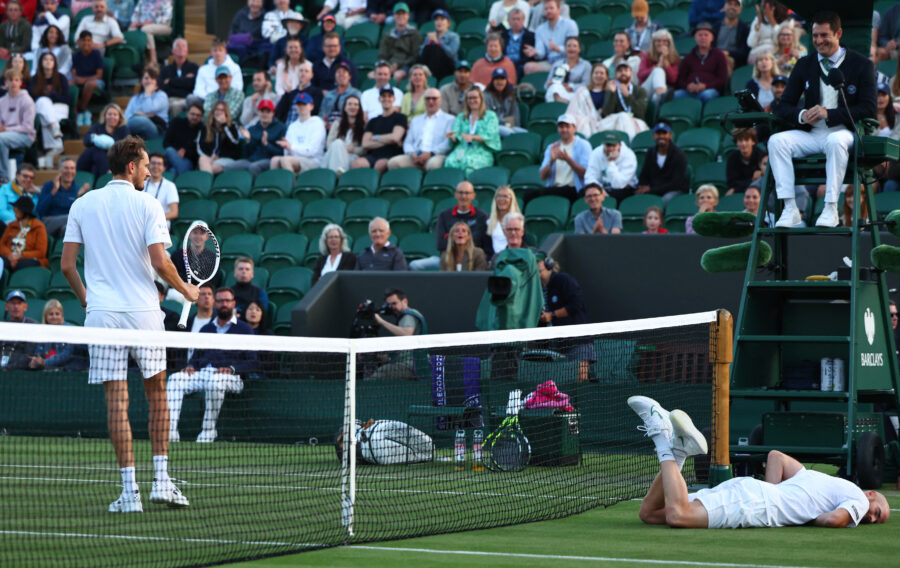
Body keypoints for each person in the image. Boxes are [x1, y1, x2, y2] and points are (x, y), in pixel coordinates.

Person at [61, 136, 199, 513]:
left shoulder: (83, 204)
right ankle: (162, 482)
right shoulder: (148, 203)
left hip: (101, 315)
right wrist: (186, 290)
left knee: (116, 402)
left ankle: (130, 493)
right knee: (157, 395)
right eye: (145, 165)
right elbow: (160, 261)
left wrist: (88, 300)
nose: (150, 171)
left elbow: (67, 266)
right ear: (132, 167)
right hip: (143, 315)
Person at [628, 395, 890, 529]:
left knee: (649, 514)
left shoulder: (820, 482)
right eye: (878, 511)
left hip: (754, 494)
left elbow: (776, 458)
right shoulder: (857, 498)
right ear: (870, 494)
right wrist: (797, 513)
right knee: (677, 515)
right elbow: (834, 521)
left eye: (877, 519)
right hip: (755, 503)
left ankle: (680, 451)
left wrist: (772, 492)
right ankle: (661, 434)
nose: (872, 518)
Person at [770, 11, 876, 229]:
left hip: (844, 132)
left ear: (839, 33)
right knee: (776, 141)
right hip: (812, 133)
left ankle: (830, 207)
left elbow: (868, 108)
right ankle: (790, 208)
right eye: (815, 35)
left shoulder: (862, 64)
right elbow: (783, 107)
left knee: (835, 141)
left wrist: (830, 113)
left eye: (824, 35)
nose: (818, 41)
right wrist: (801, 115)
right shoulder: (804, 64)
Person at [167, 286, 255, 444]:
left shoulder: (244, 329)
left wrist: (232, 369)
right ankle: (170, 431)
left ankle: (208, 431)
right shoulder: (207, 328)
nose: (224, 304)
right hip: (204, 373)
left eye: (227, 300)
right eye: (220, 301)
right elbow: (196, 356)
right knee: (175, 379)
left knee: (216, 382)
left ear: (233, 303)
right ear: (215, 304)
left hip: (232, 378)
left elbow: (253, 361)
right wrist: (191, 365)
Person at [411, 180, 492, 271]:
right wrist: (463, 241)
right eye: (460, 193)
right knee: (415, 265)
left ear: (473, 195)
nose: (463, 196)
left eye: (467, 193)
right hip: (448, 258)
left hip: (472, 259)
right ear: (455, 194)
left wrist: (453, 238)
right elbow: (440, 244)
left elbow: (485, 244)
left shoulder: (481, 216)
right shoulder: (444, 215)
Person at [537, 255, 594, 382]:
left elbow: (576, 304)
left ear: (548, 264)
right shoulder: (537, 289)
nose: (536, 265)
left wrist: (551, 315)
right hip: (557, 345)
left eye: (538, 261)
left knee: (581, 383)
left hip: (578, 341)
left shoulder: (563, 280)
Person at [388, 88, 454, 171]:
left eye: (434, 98)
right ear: (424, 101)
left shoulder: (450, 119)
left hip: (436, 155)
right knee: (393, 163)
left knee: (433, 165)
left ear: (440, 100)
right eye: (428, 98)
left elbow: (448, 143)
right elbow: (408, 142)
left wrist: (431, 153)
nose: (431, 101)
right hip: (416, 156)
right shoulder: (415, 120)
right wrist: (412, 154)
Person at [370, 288, 426, 380]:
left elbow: (407, 335)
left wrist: (381, 321)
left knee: (380, 373)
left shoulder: (408, 316)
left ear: (405, 301)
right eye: (389, 304)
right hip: (413, 362)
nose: (392, 307)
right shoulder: (412, 313)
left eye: (394, 303)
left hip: (413, 364)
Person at [535, 113, 590, 204]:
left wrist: (568, 159)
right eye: (561, 127)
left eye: (567, 127)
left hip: (575, 189)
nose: (564, 130)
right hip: (554, 188)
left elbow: (586, 174)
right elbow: (543, 176)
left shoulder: (583, 145)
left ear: (574, 128)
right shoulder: (552, 147)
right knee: (529, 194)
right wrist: (551, 161)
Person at [445, 86, 501, 175]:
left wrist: (473, 137)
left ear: (481, 99)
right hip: (462, 149)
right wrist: (452, 137)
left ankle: (467, 187)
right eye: (469, 98)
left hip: (481, 150)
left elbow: (491, 135)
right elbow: (456, 135)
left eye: (475, 98)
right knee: (450, 161)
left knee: (468, 162)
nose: (472, 101)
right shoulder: (461, 117)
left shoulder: (490, 116)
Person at [352, 86, 407, 173]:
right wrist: (388, 140)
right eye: (384, 96)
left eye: (389, 96)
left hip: (391, 154)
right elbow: (365, 144)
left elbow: (395, 137)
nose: (386, 99)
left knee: (380, 164)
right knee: (356, 163)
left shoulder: (400, 117)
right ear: (379, 99)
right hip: (373, 155)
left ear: (394, 99)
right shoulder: (373, 121)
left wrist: (375, 137)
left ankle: (372, 185)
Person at [28, 52, 68, 168]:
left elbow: (66, 99)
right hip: (43, 108)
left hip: (60, 108)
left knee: (44, 116)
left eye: (51, 59)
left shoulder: (61, 78)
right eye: (45, 59)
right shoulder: (35, 79)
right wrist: (47, 98)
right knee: (43, 102)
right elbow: (32, 98)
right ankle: (56, 143)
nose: (48, 61)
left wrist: (52, 96)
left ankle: (53, 149)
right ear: (40, 62)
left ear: (54, 63)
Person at [270, 92, 326, 174]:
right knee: (274, 160)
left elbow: (312, 151)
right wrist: (287, 147)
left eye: (304, 104)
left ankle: (292, 185)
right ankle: (274, 186)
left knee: (286, 160)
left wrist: (291, 147)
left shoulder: (317, 122)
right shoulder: (292, 126)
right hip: (296, 159)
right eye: (299, 104)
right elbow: (288, 151)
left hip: (314, 160)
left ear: (311, 107)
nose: (301, 107)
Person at [229, 98, 286, 177]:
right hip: (252, 160)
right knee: (228, 167)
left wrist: (266, 144)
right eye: (262, 111)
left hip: (270, 160)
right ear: (258, 112)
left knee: (254, 167)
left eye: (268, 112)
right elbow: (246, 155)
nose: (264, 114)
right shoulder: (253, 129)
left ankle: (255, 188)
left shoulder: (281, 128)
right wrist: (248, 140)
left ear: (273, 113)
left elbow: (281, 153)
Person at [675, 22, 728, 104]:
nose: (703, 37)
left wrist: (705, 86)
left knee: (706, 95)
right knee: (676, 95)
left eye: (706, 35)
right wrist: (688, 86)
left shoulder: (719, 55)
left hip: (709, 91)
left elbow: (722, 79)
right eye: (700, 35)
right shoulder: (689, 57)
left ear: (712, 38)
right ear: (695, 38)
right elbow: (681, 79)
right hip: (690, 92)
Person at [636, 121, 689, 203]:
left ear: (670, 135)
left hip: (674, 190)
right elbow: (644, 174)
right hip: (654, 190)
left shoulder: (679, 155)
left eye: (664, 133)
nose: (661, 136)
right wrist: (641, 186)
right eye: (658, 133)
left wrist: (651, 189)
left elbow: (676, 183)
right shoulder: (650, 152)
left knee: (664, 200)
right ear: (654, 136)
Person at [36, 158, 90, 238]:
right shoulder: (49, 186)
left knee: (68, 229)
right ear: (59, 170)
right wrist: (54, 191)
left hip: (66, 225)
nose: (69, 171)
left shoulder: (77, 190)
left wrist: (79, 197)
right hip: (48, 222)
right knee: (73, 219)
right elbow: (40, 211)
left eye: (72, 168)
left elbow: (76, 212)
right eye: (66, 168)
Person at [169, 226, 223, 303]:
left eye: (201, 233)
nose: (198, 236)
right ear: (189, 235)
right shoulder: (177, 255)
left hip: (200, 293)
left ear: (207, 236)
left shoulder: (213, 258)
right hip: (180, 291)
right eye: (195, 233)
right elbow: (173, 276)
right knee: (173, 294)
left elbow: (213, 281)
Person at [522, 0, 578, 74]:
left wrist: (557, 48)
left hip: (567, 61)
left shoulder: (570, 25)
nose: (548, 11)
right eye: (546, 9)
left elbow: (574, 50)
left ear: (559, 10)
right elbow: (541, 53)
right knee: (528, 67)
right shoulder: (540, 29)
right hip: (550, 63)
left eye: (551, 8)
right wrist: (536, 53)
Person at [0, 69, 35, 186]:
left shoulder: (27, 100)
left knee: (1, 138)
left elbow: (28, 127)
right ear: (6, 82)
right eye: (11, 80)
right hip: (6, 135)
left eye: (16, 80)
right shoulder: (2, 101)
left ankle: (3, 176)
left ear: (21, 82)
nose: (14, 83)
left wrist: (7, 130)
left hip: (25, 136)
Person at [78, 102, 129, 178]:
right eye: (109, 114)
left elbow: (126, 147)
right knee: (93, 152)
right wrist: (96, 139)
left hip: (114, 159)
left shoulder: (123, 129)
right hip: (96, 159)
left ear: (119, 117)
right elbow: (86, 140)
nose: (112, 117)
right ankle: (106, 175)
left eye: (115, 115)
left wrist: (104, 143)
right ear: (105, 116)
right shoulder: (98, 127)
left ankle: (105, 175)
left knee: (95, 161)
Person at [599, 60, 649, 138]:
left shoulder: (639, 90)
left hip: (635, 122)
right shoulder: (612, 90)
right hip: (616, 123)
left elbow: (641, 112)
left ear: (631, 73)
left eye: (626, 70)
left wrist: (628, 96)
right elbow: (606, 113)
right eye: (620, 71)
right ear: (615, 74)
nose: (623, 73)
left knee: (624, 117)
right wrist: (611, 94)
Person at [0, 195, 48, 274]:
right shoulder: (11, 225)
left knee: (21, 265)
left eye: (17, 208)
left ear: (24, 211)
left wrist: (20, 255)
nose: (14, 209)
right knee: (3, 263)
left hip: (30, 259)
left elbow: (41, 252)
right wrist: (10, 255)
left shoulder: (39, 227)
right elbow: (1, 245)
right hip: (10, 257)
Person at [584, 132, 638, 202]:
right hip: (602, 187)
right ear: (603, 144)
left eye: (613, 145)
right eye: (608, 145)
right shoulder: (596, 153)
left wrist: (610, 162)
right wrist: (598, 190)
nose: (610, 148)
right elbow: (589, 177)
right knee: (584, 193)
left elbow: (619, 184)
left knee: (618, 194)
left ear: (620, 145)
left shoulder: (629, 156)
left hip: (625, 188)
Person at [377, 3, 423, 82]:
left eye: (403, 14)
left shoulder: (414, 34)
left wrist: (398, 64)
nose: (401, 16)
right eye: (398, 14)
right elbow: (382, 55)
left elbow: (415, 56)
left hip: (407, 65)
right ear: (394, 16)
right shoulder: (388, 35)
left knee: (397, 75)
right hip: (389, 65)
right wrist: (387, 66)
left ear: (408, 15)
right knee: (372, 75)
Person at [190, 39, 244, 106]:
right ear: (211, 52)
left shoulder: (235, 67)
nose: (217, 53)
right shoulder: (202, 69)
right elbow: (198, 89)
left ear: (225, 51)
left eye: (220, 50)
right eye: (215, 50)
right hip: (206, 100)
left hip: (228, 100)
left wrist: (222, 99)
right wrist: (210, 99)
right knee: (191, 98)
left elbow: (237, 88)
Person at [322, 95, 366, 175]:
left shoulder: (364, 126)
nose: (352, 107)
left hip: (352, 156)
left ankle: (334, 176)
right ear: (345, 108)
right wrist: (341, 147)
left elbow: (364, 148)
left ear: (359, 108)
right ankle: (339, 173)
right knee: (338, 143)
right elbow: (329, 144)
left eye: (356, 104)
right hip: (334, 154)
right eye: (349, 104)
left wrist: (353, 149)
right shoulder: (336, 124)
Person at [29, 298, 77, 371]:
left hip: (67, 371)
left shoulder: (70, 330)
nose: (54, 317)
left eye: (57, 314)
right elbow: (38, 352)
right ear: (46, 316)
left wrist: (44, 362)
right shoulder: (42, 331)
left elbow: (67, 355)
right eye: (51, 314)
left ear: (62, 315)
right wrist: (35, 361)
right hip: (46, 371)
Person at [196, 101, 242, 175]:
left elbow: (234, 143)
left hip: (226, 159)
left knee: (212, 167)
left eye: (222, 110)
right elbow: (199, 147)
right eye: (217, 109)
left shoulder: (232, 126)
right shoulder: (206, 128)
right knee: (202, 158)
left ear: (226, 113)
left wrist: (224, 125)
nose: (219, 112)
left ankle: (206, 183)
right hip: (209, 158)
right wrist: (211, 156)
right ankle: (208, 184)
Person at [638, 29, 680, 106]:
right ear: (654, 43)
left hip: (663, 89)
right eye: (658, 41)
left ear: (669, 43)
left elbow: (673, 79)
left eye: (664, 41)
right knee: (658, 71)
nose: (661, 43)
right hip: (645, 89)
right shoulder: (646, 56)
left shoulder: (675, 58)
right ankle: (662, 95)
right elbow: (640, 75)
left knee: (656, 97)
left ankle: (660, 98)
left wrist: (666, 61)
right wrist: (657, 66)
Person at [566, 62, 608, 138]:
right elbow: (574, 110)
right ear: (591, 75)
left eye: (602, 73)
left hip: (602, 123)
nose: (598, 75)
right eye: (596, 73)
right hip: (584, 122)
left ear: (606, 76)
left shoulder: (609, 93)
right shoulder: (583, 91)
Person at [71, 30, 104, 126]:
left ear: (92, 42)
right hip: (80, 80)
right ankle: (79, 112)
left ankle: (81, 110)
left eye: (89, 40)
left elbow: (99, 75)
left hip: (95, 81)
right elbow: (74, 73)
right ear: (79, 42)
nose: (86, 43)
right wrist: (77, 79)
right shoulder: (76, 55)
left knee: (90, 84)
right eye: (83, 40)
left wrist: (84, 80)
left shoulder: (96, 54)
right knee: (68, 84)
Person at [125, 67, 168, 140]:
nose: (149, 81)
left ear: (157, 81)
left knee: (141, 120)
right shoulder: (135, 98)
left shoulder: (161, 95)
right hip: (135, 129)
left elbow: (148, 109)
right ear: (141, 81)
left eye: (152, 78)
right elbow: (126, 116)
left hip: (157, 130)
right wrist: (142, 115)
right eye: (146, 78)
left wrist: (148, 93)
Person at [163, 101, 204, 176]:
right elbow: (166, 142)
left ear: (202, 117)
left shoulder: (202, 129)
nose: (195, 117)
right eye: (192, 114)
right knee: (169, 151)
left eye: (198, 115)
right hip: (172, 155)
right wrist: (178, 150)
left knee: (173, 171)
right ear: (187, 113)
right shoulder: (177, 122)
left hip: (188, 161)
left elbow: (199, 152)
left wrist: (186, 152)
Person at [544, 36, 589, 104]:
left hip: (575, 94)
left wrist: (571, 87)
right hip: (558, 91)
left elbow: (587, 84)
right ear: (565, 49)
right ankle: (562, 102)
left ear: (579, 49)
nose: (571, 49)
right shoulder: (557, 64)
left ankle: (562, 104)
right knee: (553, 88)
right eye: (569, 46)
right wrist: (549, 84)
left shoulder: (586, 65)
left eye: (574, 46)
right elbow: (546, 85)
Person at [160, 38, 197, 117]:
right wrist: (184, 81)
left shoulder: (194, 67)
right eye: (178, 46)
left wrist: (171, 81)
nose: (181, 48)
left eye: (183, 46)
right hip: (170, 99)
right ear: (173, 51)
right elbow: (163, 87)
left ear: (187, 51)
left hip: (187, 99)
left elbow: (192, 85)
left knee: (176, 105)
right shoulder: (165, 69)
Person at [418, 9, 458, 82]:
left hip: (447, 66)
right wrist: (428, 43)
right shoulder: (429, 36)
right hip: (430, 66)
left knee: (436, 49)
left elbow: (451, 53)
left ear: (448, 23)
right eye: (437, 20)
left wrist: (438, 42)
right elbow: (421, 54)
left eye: (442, 19)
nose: (439, 22)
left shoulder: (454, 36)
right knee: (429, 48)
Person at [128, 0, 172, 64]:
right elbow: (135, 13)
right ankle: (134, 59)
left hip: (163, 25)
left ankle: (153, 60)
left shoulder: (166, 1)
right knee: (131, 29)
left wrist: (152, 22)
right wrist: (135, 21)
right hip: (142, 24)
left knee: (146, 29)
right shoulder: (142, 1)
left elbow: (166, 18)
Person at [484, 68, 524, 137]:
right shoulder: (486, 96)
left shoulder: (510, 96)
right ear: (492, 81)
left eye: (502, 79)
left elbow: (516, 116)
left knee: (525, 133)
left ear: (506, 81)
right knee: (510, 133)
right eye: (497, 79)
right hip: (494, 127)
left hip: (509, 126)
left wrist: (514, 125)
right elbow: (488, 118)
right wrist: (505, 122)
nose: (499, 82)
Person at [746, 0, 788, 65]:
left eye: (764, 6)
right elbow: (750, 44)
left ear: (773, 7)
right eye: (762, 6)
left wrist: (771, 20)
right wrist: (758, 25)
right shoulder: (757, 20)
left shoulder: (784, 22)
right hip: (757, 54)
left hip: (775, 53)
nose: (762, 8)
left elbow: (783, 39)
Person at [726, 127, 765, 195]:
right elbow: (732, 182)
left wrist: (736, 188)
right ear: (736, 142)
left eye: (746, 140)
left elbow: (759, 180)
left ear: (753, 142)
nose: (743, 144)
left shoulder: (761, 156)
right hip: (738, 191)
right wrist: (751, 180)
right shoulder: (732, 157)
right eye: (740, 140)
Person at [144, 152, 178, 230]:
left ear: (164, 168)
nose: (156, 166)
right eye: (153, 163)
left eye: (159, 164)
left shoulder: (170, 186)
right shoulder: (142, 183)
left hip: (160, 226)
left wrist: (154, 219)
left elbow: (174, 212)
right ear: (148, 166)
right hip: (141, 223)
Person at [716, 0, 750, 73]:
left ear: (740, 10)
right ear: (724, 7)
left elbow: (744, 52)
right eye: (730, 4)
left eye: (736, 5)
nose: (732, 7)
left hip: (735, 61)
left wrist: (728, 53)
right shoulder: (716, 27)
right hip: (715, 56)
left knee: (727, 60)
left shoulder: (744, 29)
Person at [501, 8, 534, 79]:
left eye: (518, 19)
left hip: (520, 66)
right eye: (513, 19)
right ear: (509, 21)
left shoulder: (531, 36)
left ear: (523, 21)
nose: (516, 22)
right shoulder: (502, 36)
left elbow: (529, 57)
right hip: (504, 64)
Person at [487, 185, 520, 254]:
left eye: (505, 196)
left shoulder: (518, 222)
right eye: (499, 196)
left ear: (511, 200)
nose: (501, 199)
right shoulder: (488, 222)